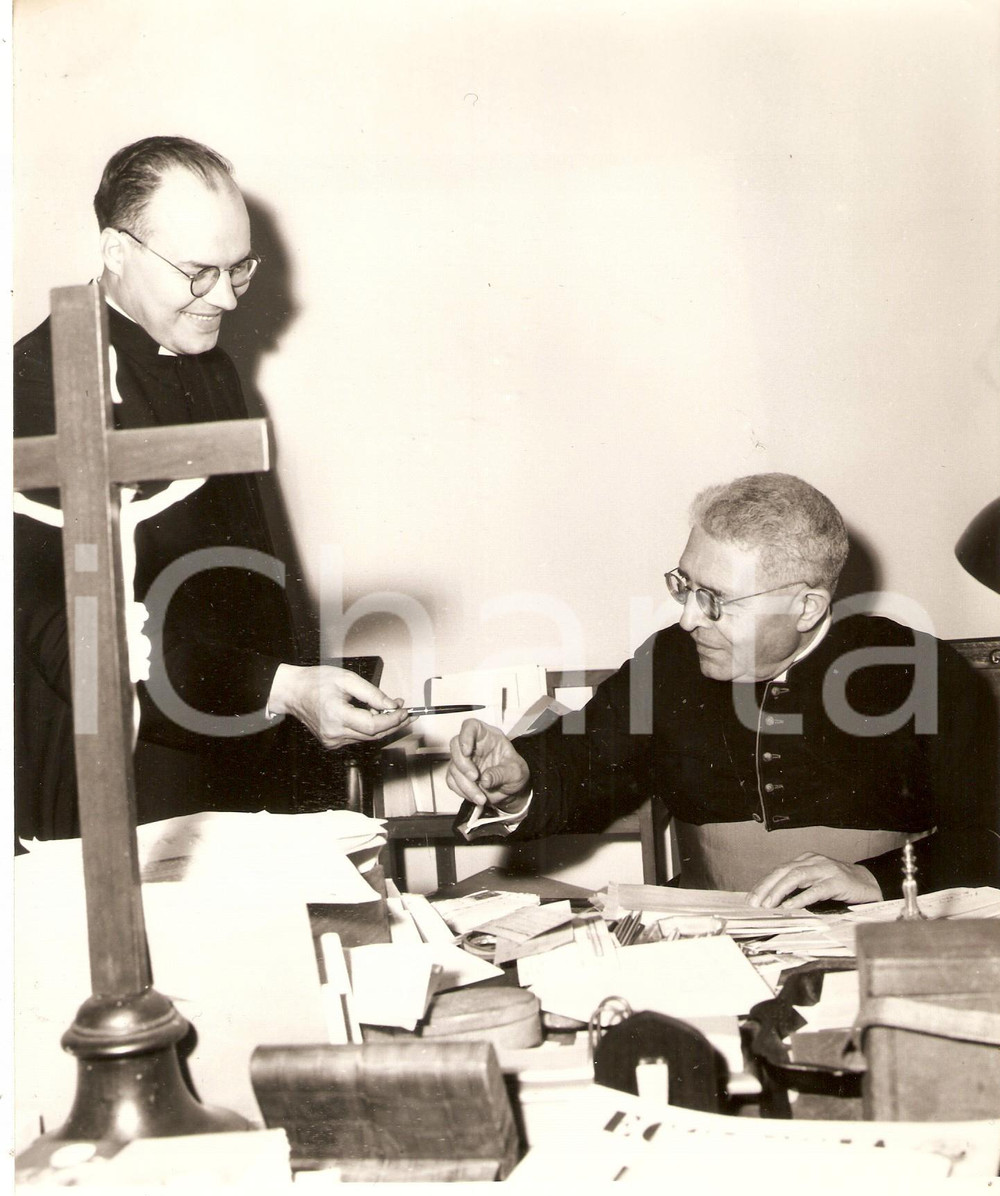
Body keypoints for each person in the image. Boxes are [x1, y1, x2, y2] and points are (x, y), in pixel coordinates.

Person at [14, 136, 409, 841]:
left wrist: (297, 696)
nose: (224, 297)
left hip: (241, 758)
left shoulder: (213, 368)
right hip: (133, 782)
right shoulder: (40, 387)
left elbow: (249, 579)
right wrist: (282, 689)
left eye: (239, 269)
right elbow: (71, 636)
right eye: (199, 271)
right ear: (115, 251)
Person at [446, 473, 999, 908]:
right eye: (684, 586)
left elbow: (990, 834)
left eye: (713, 599)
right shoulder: (669, 661)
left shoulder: (919, 669)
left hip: (882, 938)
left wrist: (872, 878)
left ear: (806, 607)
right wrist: (519, 780)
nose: (686, 619)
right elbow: (585, 757)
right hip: (713, 940)